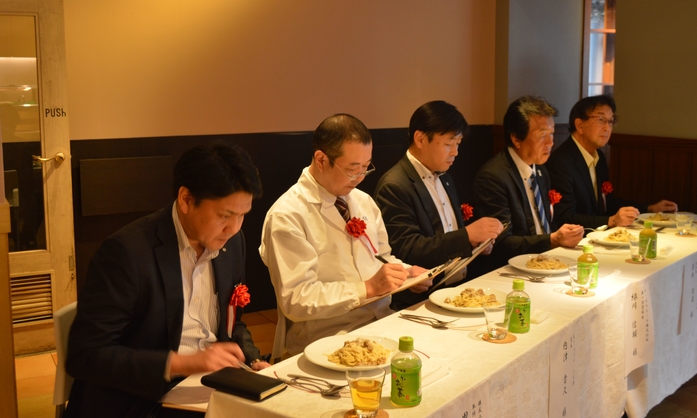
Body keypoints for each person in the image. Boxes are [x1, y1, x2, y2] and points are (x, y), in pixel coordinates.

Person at [65, 142, 270, 418]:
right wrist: (181, 363)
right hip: (141, 399)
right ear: (186, 199)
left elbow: (234, 323)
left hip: (212, 386)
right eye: (225, 215)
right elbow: (86, 355)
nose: (233, 228)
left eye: (242, 215)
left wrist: (253, 360)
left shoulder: (231, 243)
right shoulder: (127, 253)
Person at [260, 114, 431, 357]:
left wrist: (407, 273)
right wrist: (367, 288)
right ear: (321, 159)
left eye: (366, 167)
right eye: (352, 169)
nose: (360, 178)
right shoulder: (288, 214)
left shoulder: (363, 201)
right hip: (326, 338)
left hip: (381, 322)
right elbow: (296, 300)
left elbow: (381, 257)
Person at [374, 101, 503, 309]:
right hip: (421, 300)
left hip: (456, 292)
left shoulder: (445, 177)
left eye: (458, 144)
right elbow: (406, 250)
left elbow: (447, 235)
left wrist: (475, 244)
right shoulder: (395, 185)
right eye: (448, 144)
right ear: (420, 139)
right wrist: (467, 236)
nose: (455, 152)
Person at [472, 95, 584, 262]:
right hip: (511, 266)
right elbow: (501, 243)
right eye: (542, 135)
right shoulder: (493, 178)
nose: (550, 142)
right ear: (516, 138)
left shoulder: (540, 170)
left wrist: (564, 235)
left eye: (551, 133)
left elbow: (545, 225)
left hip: (545, 259)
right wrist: (552, 240)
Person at [546, 95, 677, 229]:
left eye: (610, 121)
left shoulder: (599, 157)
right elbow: (565, 217)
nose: (607, 128)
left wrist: (649, 208)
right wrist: (611, 221)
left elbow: (607, 203)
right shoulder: (560, 162)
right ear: (580, 125)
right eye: (601, 120)